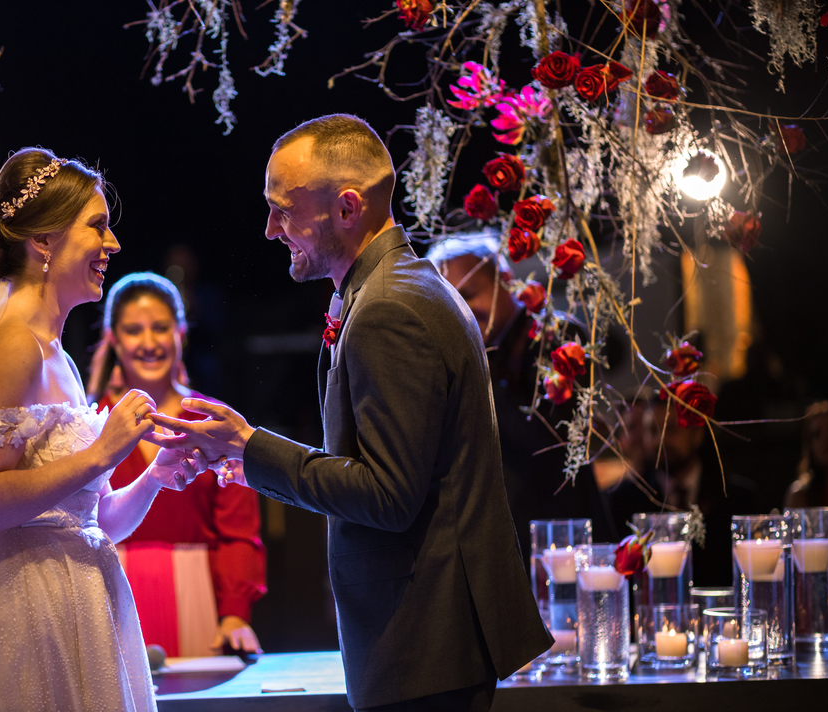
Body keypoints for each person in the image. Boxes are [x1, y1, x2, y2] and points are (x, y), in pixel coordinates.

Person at [153, 115, 551, 712]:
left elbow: (388, 496)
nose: (269, 229)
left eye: (283, 210)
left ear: (346, 209)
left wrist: (249, 447)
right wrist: (249, 457)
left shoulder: (390, 307)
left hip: (424, 647)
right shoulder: (397, 288)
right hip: (426, 645)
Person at [0, 148, 205, 712]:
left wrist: (151, 477)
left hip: (79, 608)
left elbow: (90, 522)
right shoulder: (12, 344)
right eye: (97, 227)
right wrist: (100, 454)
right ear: (43, 241)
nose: (113, 244)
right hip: (25, 618)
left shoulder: (57, 354)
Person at [89, 272, 267, 658]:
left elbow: (238, 531)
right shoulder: (90, 424)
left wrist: (235, 613)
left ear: (181, 334)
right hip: (108, 596)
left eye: (161, 328)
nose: (149, 342)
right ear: (113, 339)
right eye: (134, 330)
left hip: (194, 596)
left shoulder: (214, 422)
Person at [426, 233, 617, 549]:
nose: (459, 312)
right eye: (446, 303)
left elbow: (552, 441)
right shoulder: (470, 355)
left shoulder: (558, 336)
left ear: (505, 280)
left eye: (468, 295)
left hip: (560, 540)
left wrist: (466, 378)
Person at [607, 395, 761, 586]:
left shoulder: (737, 499)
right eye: (652, 431)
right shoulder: (623, 501)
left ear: (697, 434)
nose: (659, 440)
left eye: (670, 430)